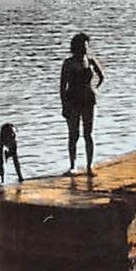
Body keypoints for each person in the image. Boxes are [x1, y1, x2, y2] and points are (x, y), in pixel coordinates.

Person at [59, 32, 106, 175]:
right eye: (83, 46)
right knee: (73, 134)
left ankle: (89, 165)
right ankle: (73, 166)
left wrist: (94, 88)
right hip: (72, 100)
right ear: (76, 47)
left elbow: (102, 76)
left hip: (89, 100)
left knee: (89, 134)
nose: (86, 48)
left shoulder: (91, 60)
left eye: (87, 45)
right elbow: (62, 86)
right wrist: (64, 105)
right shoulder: (68, 63)